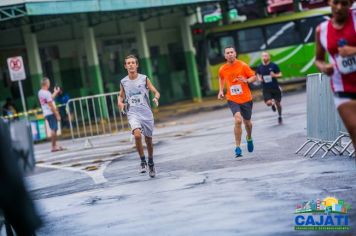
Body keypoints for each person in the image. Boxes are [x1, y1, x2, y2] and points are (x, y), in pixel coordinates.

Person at [315, 0, 356, 152]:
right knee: (354, 129)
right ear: (329, 2)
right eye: (336, 2)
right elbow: (318, 59)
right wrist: (324, 67)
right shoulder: (322, 30)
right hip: (342, 87)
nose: (339, 7)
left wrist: (353, 50)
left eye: (344, 3)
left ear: (351, 3)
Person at [118, 55, 160, 178]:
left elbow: (156, 91)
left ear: (137, 65)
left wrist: (156, 98)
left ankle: (151, 162)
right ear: (125, 66)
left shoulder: (144, 79)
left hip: (146, 114)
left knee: (148, 140)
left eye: (133, 63)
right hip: (133, 113)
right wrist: (120, 102)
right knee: (137, 135)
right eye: (128, 63)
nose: (131, 65)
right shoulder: (123, 82)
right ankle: (142, 161)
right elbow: (120, 96)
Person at [218, 46, 257, 158]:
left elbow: (253, 77)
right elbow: (221, 78)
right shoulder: (222, 68)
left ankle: (249, 137)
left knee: (248, 123)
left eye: (231, 52)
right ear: (225, 56)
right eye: (227, 53)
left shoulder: (243, 65)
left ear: (235, 53)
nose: (230, 54)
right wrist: (221, 90)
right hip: (232, 98)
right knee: (238, 120)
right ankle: (238, 147)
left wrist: (246, 80)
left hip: (246, 98)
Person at [256, 52, 283, 124]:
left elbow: (280, 74)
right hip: (266, 89)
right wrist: (259, 79)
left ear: (269, 57)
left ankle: (280, 116)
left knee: (278, 104)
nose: (264, 57)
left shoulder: (274, 65)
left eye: (266, 56)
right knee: (268, 103)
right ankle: (272, 104)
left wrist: (274, 75)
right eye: (263, 56)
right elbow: (258, 74)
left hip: (275, 87)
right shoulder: (260, 67)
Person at [38, 78, 63, 152]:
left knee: (54, 129)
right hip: (51, 113)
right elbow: (50, 105)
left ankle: (55, 145)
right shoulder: (46, 93)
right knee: (53, 129)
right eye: (49, 82)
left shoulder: (40, 92)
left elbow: (50, 99)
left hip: (46, 113)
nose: (49, 84)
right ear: (46, 84)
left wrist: (55, 92)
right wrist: (57, 114)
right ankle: (53, 146)